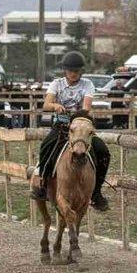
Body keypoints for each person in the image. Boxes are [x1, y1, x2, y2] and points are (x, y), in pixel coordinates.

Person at [30, 51, 111, 210]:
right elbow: (46, 104)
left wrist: (78, 115)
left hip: (80, 128)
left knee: (103, 151)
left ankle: (97, 191)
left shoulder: (87, 84)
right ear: (65, 71)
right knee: (46, 146)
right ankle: (43, 184)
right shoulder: (56, 84)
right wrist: (55, 106)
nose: (74, 74)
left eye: (77, 71)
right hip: (61, 126)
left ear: (81, 71)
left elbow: (86, 107)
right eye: (70, 71)